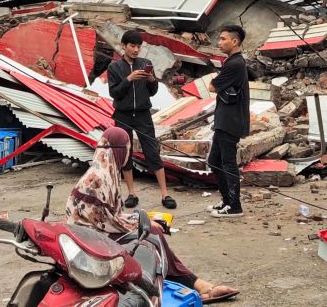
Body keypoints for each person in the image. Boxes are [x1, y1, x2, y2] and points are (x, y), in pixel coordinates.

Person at [66, 127, 239, 303]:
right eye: (127, 148)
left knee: (151, 228)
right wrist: (140, 223)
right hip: (89, 243)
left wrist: (140, 220)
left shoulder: (105, 171)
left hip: (94, 235)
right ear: (121, 150)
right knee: (152, 235)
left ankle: (191, 283)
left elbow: (109, 217)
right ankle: (195, 285)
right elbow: (105, 222)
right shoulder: (98, 179)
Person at [107, 29, 175, 210]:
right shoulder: (115, 67)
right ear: (123, 45)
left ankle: (165, 194)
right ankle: (132, 194)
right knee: (125, 154)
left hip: (144, 114)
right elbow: (114, 93)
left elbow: (152, 92)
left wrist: (152, 79)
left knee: (152, 151)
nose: (136, 50)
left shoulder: (145, 63)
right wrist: (129, 79)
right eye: (132, 46)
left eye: (139, 46)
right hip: (123, 115)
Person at [206, 24, 250, 220]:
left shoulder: (235, 64)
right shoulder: (232, 62)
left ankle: (235, 206)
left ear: (235, 41)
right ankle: (226, 200)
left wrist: (218, 83)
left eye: (223, 39)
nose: (220, 42)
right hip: (224, 119)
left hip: (230, 120)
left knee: (228, 163)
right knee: (214, 161)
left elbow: (212, 86)